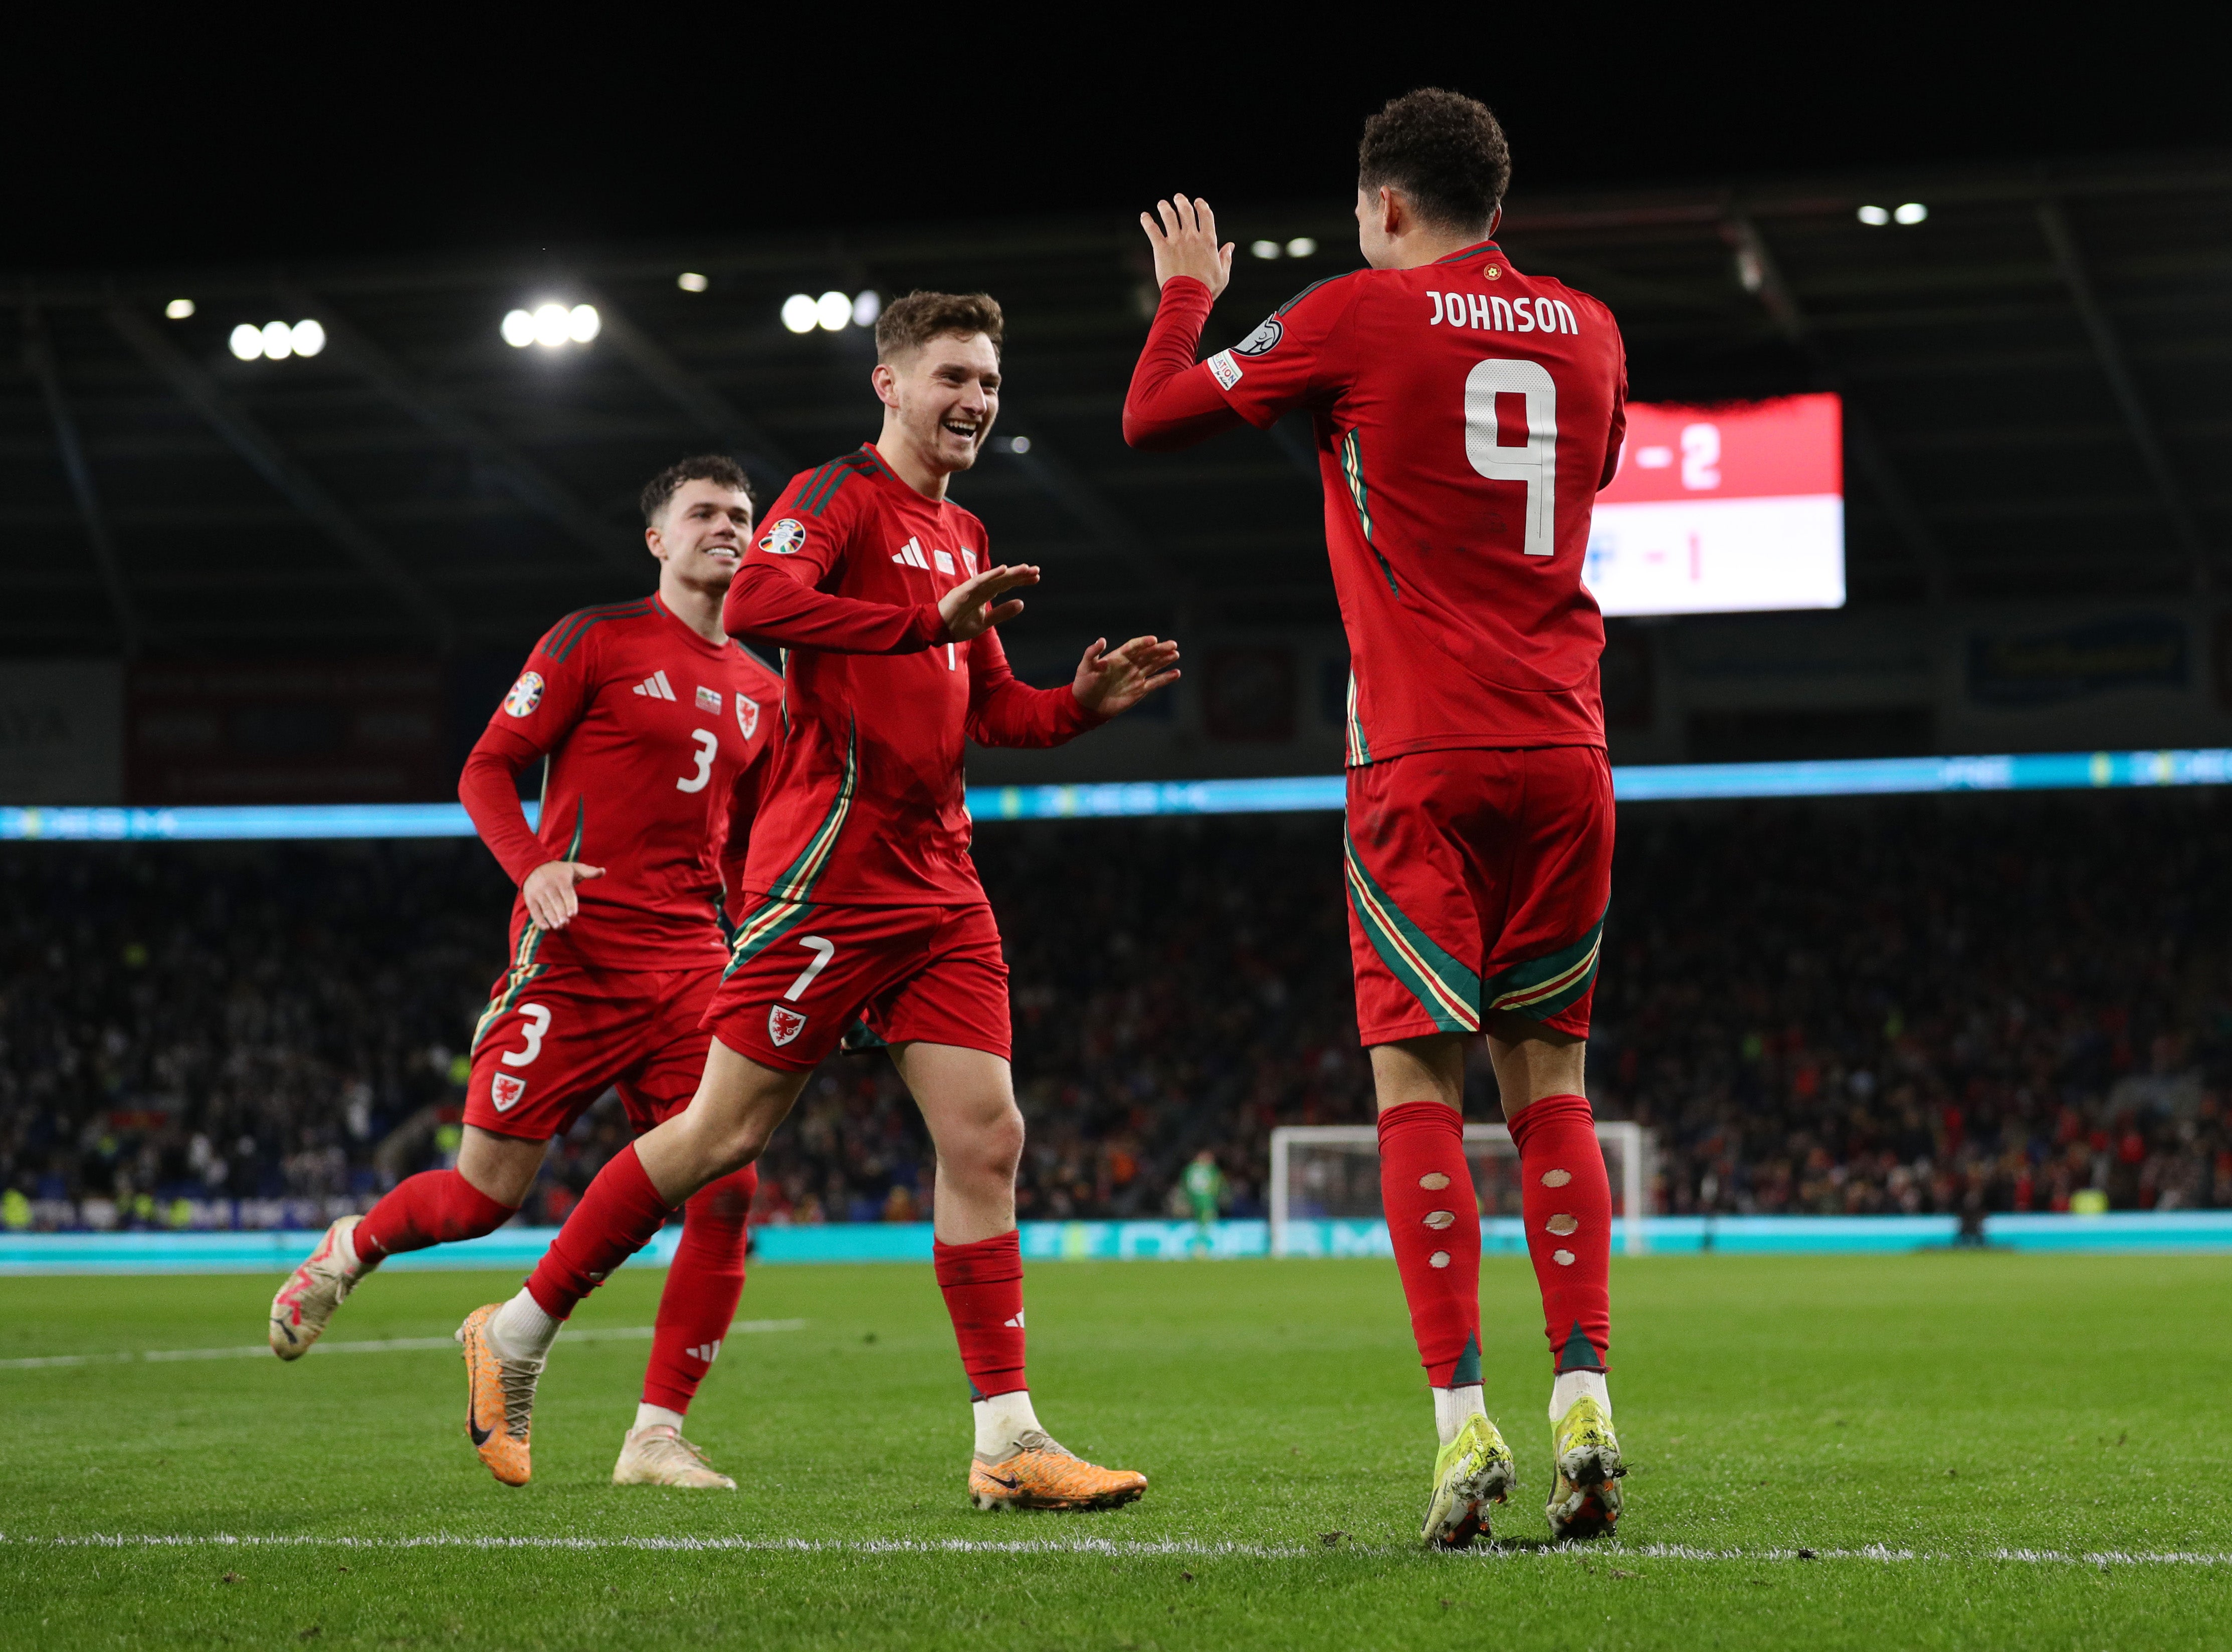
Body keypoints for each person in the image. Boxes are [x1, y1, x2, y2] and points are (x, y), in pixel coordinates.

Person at [455, 291, 1179, 1510]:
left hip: (940, 879)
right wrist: (917, 623)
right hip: (826, 873)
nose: (976, 401)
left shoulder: (967, 529)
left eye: (991, 383)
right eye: (953, 376)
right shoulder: (831, 496)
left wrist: (1076, 708)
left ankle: (1006, 1438)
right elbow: (760, 607)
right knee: (720, 1139)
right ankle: (516, 1331)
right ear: (889, 385)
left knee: (987, 1137)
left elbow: (988, 704)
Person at [1122, 89, 1630, 1546]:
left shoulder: (1359, 311)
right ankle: (1584, 1391)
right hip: (1569, 748)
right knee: (1556, 1088)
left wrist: (1188, 297)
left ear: (1388, 207)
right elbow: (1578, 480)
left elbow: (1156, 417)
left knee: (1421, 1090)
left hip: (1420, 755)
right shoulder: (1593, 330)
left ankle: (1461, 1424)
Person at [268, 456, 782, 1490]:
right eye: (703, 514)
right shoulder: (594, 639)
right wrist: (537, 865)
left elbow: (743, 845)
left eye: (741, 515)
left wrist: (755, 935)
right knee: (481, 1199)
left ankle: (654, 1436)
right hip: (575, 958)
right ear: (658, 538)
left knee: (728, 1186)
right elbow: (486, 767)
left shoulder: (766, 689)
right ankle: (348, 1251)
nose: (725, 528)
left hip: (689, 964)